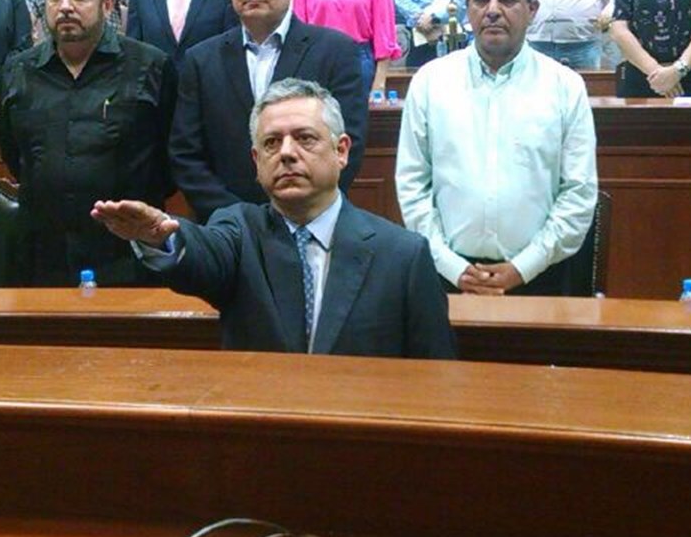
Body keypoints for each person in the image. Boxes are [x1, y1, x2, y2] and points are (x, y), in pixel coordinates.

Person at [97, 77, 455, 358]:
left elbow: (434, 374)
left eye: (305, 138)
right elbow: (203, 254)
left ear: (341, 150)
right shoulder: (239, 231)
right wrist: (162, 237)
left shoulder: (403, 255)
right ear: (256, 161)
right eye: (271, 143)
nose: (286, 153)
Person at [397, 0, 597, 296]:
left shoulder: (565, 87)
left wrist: (524, 267)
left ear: (532, 10)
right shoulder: (430, 82)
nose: (492, 10)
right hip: (445, 278)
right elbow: (413, 186)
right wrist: (452, 266)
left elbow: (579, 192)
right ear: (466, 7)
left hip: (539, 278)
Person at [0, 0, 175, 287]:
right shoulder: (17, 70)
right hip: (42, 253)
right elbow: (14, 154)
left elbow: (168, 159)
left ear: (107, 5)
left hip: (127, 253)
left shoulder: (151, 66)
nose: (65, 6)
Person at [169, 0, 369, 223]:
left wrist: (295, 210)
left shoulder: (336, 52)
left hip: (312, 222)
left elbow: (347, 143)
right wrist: (242, 219)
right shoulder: (201, 60)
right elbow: (186, 155)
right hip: (226, 231)